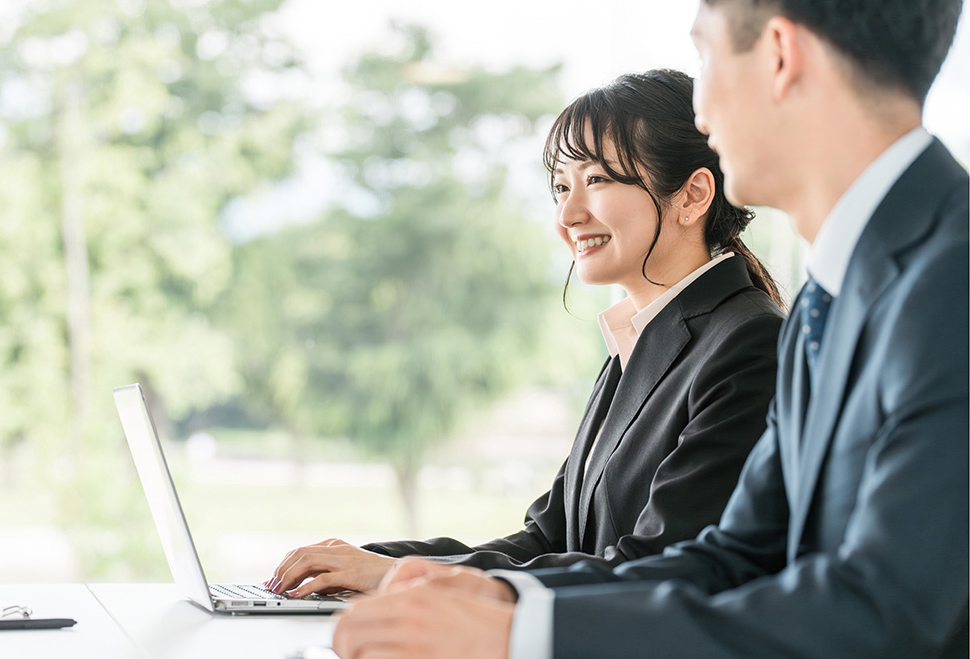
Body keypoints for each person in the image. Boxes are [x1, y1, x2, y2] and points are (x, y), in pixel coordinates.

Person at [329, 0, 970, 657]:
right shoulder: (829, 297)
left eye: (707, 55)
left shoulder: (950, 283)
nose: (700, 113)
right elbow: (733, 557)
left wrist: (523, 634)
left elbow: (885, 609)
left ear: (780, 56)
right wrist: (504, 599)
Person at [263, 69, 786, 599]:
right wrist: (373, 564)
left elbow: (660, 567)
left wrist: (401, 578)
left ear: (693, 195)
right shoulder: (639, 343)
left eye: (597, 180)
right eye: (561, 187)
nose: (567, 213)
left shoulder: (748, 344)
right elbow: (547, 540)